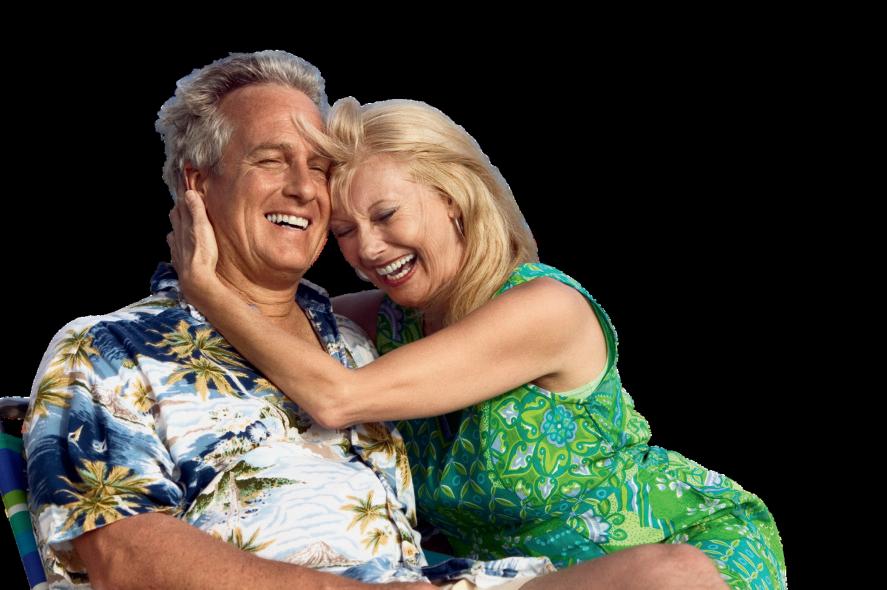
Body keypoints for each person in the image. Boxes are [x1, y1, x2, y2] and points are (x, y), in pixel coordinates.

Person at [169, 98, 787, 589]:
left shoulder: (544, 308)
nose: (368, 251)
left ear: (453, 198)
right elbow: (276, 314)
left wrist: (205, 287)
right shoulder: (391, 320)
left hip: (673, 557)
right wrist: (221, 235)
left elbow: (336, 397)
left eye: (386, 215)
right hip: (514, 580)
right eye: (346, 231)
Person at [22, 50, 561, 590]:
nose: (304, 188)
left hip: (448, 579)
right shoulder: (108, 349)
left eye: (319, 167)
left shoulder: (357, 340)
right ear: (197, 183)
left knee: (621, 575)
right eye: (271, 160)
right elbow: (124, 556)